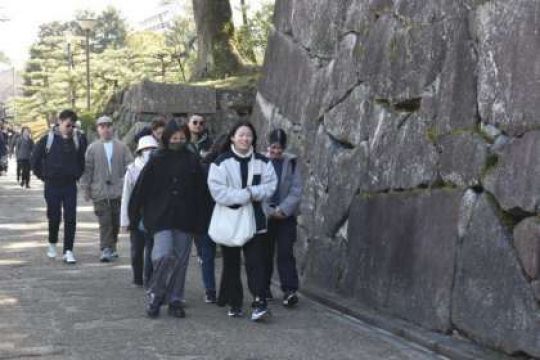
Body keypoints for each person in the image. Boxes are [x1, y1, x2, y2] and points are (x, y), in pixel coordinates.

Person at [129, 121, 206, 318]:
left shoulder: (192, 160)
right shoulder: (156, 159)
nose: (178, 140)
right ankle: (156, 293)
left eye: (181, 137)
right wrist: (134, 214)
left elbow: (201, 191)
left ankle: (175, 299)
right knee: (162, 255)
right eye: (174, 137)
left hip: (186, 217)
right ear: (166, 138)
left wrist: (203, 218)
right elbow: (140, 189)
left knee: (180, 261)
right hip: (160, 216)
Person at [207, 120, 277, 321]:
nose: (245, 138)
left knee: (256, 262)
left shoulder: (263, 162)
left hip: (256, 222)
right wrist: (243, 196)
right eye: (241, 135)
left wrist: (253, 192)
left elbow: (271, 185)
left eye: (249, 135)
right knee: (231, 263)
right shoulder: (221, 162)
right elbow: (217, 191)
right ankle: (235, 302)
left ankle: (259, 301)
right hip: (231, 221)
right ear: (232, 138)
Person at [31, 109, 87, 263]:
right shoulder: (47, 140)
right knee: (54, 217)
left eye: (73, 126)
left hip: (70, 185)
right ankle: (52, 242)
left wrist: (77, 174)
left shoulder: (78, 140)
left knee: (71, 217)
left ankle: (68, 250)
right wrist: (43, 176)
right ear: (60, 122)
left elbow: (82, 161)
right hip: (52, 185)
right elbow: (34, 160)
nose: (70, 129)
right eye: (68, 125)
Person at [80, 116, 133, 262]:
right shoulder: (92, 148)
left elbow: (130, 166)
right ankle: (105, 248)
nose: (105, 129)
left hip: (118, 191)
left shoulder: (122, 147)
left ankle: (113, 245)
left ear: (112, 128)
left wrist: (126, 183)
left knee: (115, 221)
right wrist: (86, 188)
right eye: (102, 126)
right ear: (98, 129)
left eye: (108, 126)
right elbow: (87, 169)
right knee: (105, 222)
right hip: (100, 191)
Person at [262, 129, 303, 307]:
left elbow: (296, 190)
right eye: (273, 147)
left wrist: (283, 210)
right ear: (268, 146)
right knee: (265, 253)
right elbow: (256, 189)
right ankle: (263, 288)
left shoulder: (292, 163)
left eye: (279, 148)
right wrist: (269, 211)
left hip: (286, 216)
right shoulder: (260, 162)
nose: (276, 151)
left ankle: (289, 290)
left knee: (286, 253)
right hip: (266, 216)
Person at [120, 135, 158, 288]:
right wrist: (124, 221)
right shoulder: (132, 170)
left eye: (153, 149)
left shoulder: (159, 168)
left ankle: (149, 278)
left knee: (151, 248)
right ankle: (137, 277)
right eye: (147, 149)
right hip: (136, 215)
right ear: (140, 151)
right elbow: (126, 197)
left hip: (154, 214)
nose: (149, 152)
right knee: (136, 249)